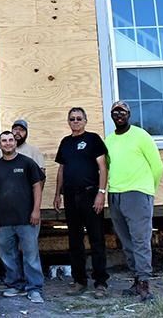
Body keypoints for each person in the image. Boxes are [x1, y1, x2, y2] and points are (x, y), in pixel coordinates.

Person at [105, 101, 163, 302]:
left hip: (138, 194)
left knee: (140, 239)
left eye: (122, 111)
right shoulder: (109, 140)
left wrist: (148, 190)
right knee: (126, 240)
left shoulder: (141, 135)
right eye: (115, 111)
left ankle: (145, 284)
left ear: (129, 114)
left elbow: (157, 166)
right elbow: (108, 167)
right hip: (115, 194)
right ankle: (136, 279)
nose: (118, 114)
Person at [53, 107, 110, 297]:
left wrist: (101, 193)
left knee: (96, 240)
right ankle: (79, 281)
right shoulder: (65, 142)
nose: (75, 121)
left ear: (85, 120)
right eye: (72, 119)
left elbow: (102, 167)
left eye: (79, 118)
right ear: (68, 122)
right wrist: (57, 194)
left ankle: (100, 283)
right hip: (70, 197)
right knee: (74, 240)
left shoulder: (93, 139)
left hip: (90, 195)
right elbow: (61, 170)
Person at [0, 130, 45, 304]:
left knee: (31, 255)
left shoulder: (27, 163)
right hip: (4, 221)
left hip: (27, 219)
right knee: (7, 255)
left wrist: (36, 210)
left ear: (15, 142)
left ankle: (34, 288)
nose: (7, 143)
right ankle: (16, 285)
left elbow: (37, 186)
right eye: (3, 141)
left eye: (10, 140)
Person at [0, 119, 46, 187]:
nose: (18, 132)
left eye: (22, 130)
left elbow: (41, 177)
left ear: (26, 133)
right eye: (15, 129)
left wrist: (36, 196)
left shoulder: (34, 151)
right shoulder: (1, 152)